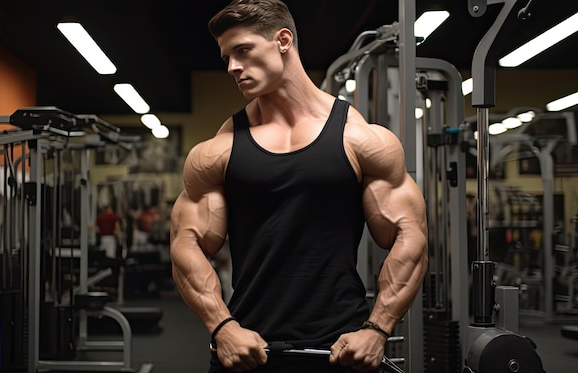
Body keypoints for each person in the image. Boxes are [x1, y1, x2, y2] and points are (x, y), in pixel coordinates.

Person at [169, 1, 428, 372]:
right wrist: (222, 328)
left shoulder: (362, 139)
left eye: (242, 50)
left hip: (341, 349)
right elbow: (185, 242)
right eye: (226, 57)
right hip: (246, 349)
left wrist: (377, 328)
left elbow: (411, 234)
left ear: (283, 40)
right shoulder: (218, 150)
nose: (232, 67)